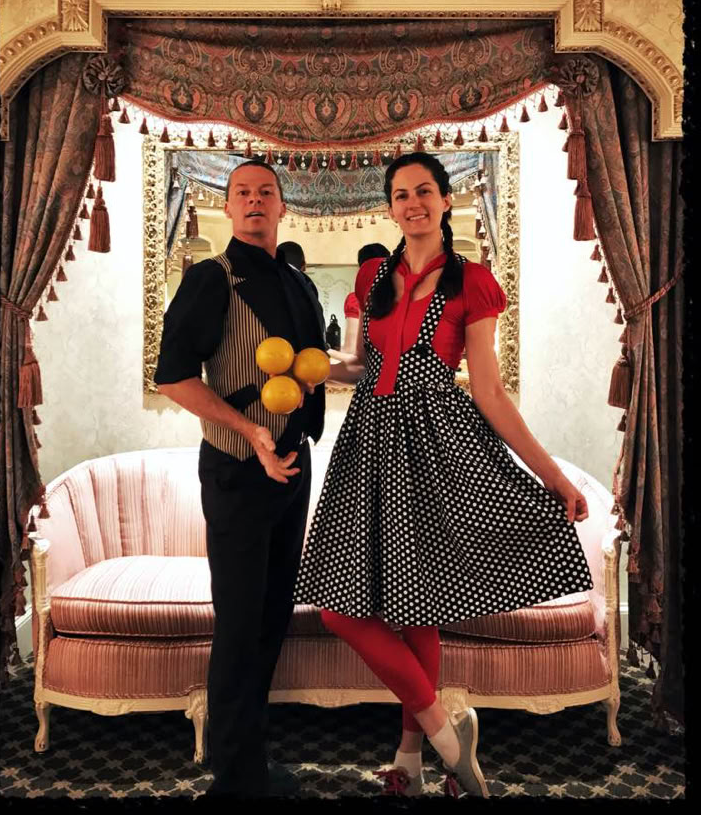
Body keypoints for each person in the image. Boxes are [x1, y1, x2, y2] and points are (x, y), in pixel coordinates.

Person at [293, 152, 594, 799]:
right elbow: (358, 365)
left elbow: (489, 391)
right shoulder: (374, 275)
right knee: (340, 610)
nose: (413, 203)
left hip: (437, 445)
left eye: (424, 191)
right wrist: (310, 367)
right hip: (368, 442)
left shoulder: (471, 283)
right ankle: (445, 736)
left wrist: (552, 477)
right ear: (390, 206)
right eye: (401, 194)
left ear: (446, 200)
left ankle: (411, 761)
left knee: (418, 604)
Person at [154, 159, 327, 799]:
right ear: (227, 207)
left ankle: (250, 762)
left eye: (266, 192)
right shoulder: (211, 279)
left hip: (292, 467)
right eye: (242, 193)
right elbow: (173, 378)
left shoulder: (299, 284)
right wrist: (248, 430)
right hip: (236, 470)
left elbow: (312, 368)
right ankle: (233, 777)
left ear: (283, 206)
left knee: (272, 614)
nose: (255, 201)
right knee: (239, 621)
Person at [341, 243, 391, 353]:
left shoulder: (356, 299)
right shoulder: (404, 294)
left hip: (371, 362)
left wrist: (328, 351)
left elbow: (351, 350)